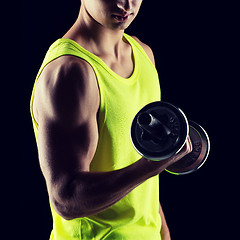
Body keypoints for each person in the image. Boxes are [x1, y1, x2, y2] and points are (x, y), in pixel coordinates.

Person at [30, 0, 192, 239]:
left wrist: (163, 233)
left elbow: (139, 181)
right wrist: (151, 166)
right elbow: (66, 198)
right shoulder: (70, 72)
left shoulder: (143, 54)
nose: (126, 3)